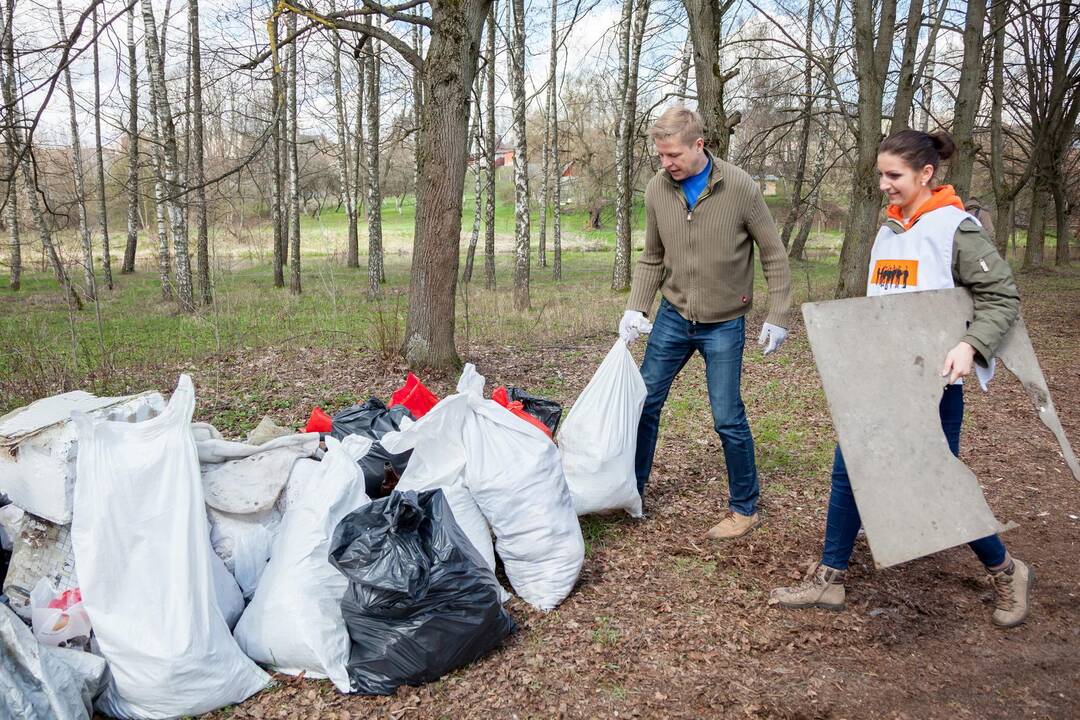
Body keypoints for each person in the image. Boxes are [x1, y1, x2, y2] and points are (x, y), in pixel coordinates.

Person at [770, 129, 1033, 628]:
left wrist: (970, 345)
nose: (884, 185)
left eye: (894, 175)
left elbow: (1002, 297)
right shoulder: (889, 229)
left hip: (932, 388)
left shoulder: (958, 228)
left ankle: (1006, 568)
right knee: (849, 470)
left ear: (926, 174)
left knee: (936, 483)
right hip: (879, 381)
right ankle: (831, 578)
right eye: (880, 175)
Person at [619, 105, 792, 539]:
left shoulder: (740, 187)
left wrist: (778, 314)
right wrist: (637, 307)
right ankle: (631, 491)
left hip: (724, 323)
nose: (666, 164)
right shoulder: (658, 189)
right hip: (674, 317)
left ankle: (744, 508)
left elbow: (772, 253)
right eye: (660, 156)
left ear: (700, 145)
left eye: (673, 155)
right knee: (643, 404)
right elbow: (653, 256)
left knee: (727, 418)